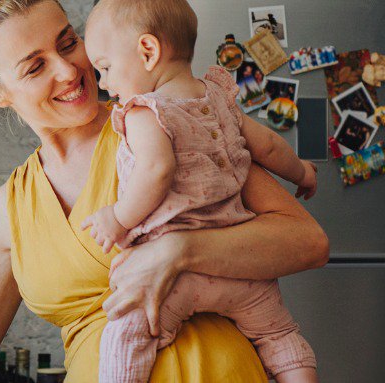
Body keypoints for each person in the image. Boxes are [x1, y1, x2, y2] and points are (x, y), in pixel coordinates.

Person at [0, 0, 329, 382]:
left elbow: (308, 242)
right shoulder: (11, 208)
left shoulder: (162, 124)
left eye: (68, 44)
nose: (69, 71)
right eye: (35, 66)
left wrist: (181, 250)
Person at [78, 0, 318, 381]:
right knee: (278, 332)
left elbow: (156, 170)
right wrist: (302, 172)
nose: (104, 83)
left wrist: (118, 218)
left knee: (126, 332)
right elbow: (269, 147)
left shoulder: (144, 111)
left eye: (105, 68)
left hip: (177, 280)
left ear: (148, 51)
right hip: (242, 272)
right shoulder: (219, 98)